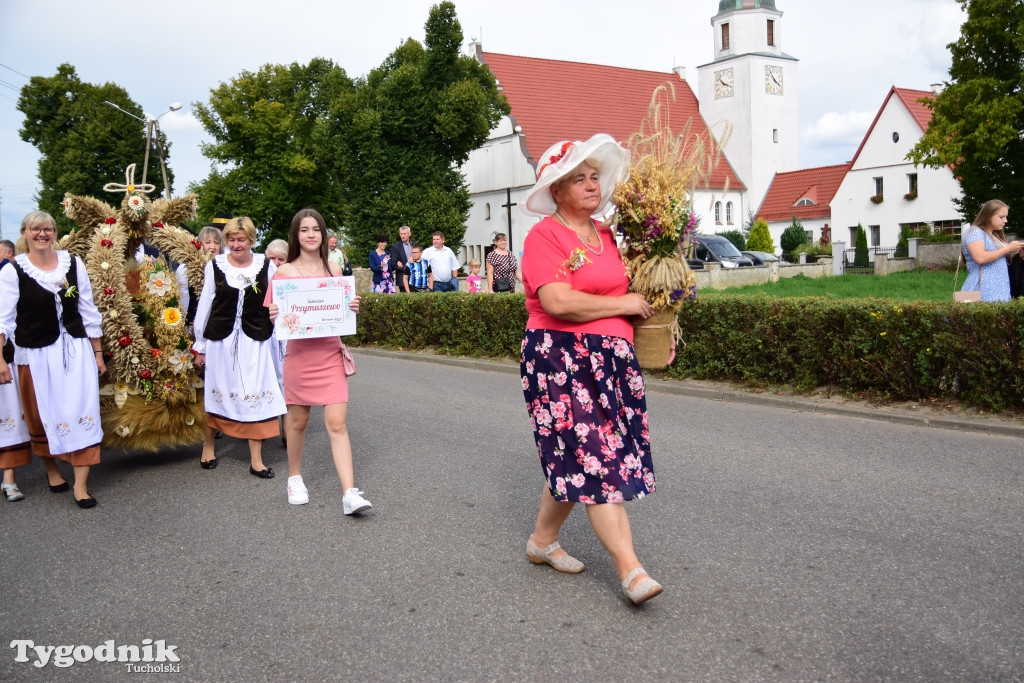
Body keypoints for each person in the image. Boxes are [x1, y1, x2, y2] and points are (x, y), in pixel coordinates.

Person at [518, 134, 663, 604]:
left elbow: (635, 294)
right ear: (556, 192)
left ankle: (542, 542)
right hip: (559, 360)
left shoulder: (606, 235)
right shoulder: (545, 236)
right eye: (577, 178)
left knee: (577, 458)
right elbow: (557, 301)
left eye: (594, 176)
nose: (589, 184)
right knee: (597, 460)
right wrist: (623, 304)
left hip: (609, 361)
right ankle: (632, 571)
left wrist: (659, 324)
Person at [266, 208, 372, 514]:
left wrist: (352, 306)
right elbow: (274, 317)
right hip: (299, 357)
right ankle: (295, 477)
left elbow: (341, 314)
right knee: (298, 422)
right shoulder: (283, 274)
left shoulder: (335, 271)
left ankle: (349, 493)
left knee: (337, 424)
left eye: (316, 229)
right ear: (295, 236)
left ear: (323, 234)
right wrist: (273, 314)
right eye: (304, 230)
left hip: (329, 354)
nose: (311, 235)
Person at [0, 211, 106, 508]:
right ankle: (51, 470)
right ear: (24, 233)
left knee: (81, 410)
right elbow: (3, 320)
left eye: (47, 229)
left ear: (55, 233)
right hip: (33, 354)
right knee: (40, 416)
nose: (42, 234)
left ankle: (81, 486)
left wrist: (97, 353)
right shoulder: (12, 271)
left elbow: (88, 309)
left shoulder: (74, 263)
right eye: (35, 229)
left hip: (75, 349)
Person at [193, 216, 286, 477]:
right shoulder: (214, 266)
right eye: (231, 240)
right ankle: (208, 445)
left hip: (256, 340)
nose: (236, 245)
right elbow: (205, 306)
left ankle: (256, 460)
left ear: (251, 240)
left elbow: (278, 298)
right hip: (221, 342)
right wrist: (199, 345)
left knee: (257, 391)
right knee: (220, 391)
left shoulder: (265, 265)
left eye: (241, 240)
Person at [0, 251, 29, 502]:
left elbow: (6, 319)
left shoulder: (6, 275)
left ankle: (9, 478)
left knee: (9, 413)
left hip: (7, 349)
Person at [960, 200, 1022, 302]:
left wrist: (1018, 252)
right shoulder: (975, 232)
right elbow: (980, 258)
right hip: (982, 289)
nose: (1005, 220)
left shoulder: (996, 235)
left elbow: (1001, 258)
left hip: (1000, 291)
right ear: (988, 216)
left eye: (1006, 217)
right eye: (1001, 217)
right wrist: (1008, 248)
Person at [176, 225, 225, 328]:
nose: (213, 246)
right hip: (192, 326)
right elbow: (182, 300)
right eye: (208, 242)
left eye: (217, 243)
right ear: (199, 244)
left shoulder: (226, 269)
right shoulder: (185, 268)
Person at [389, 225, 414, 291]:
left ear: (409, 234)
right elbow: (393, 263)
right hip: (402, 278)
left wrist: (414, 258)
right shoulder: (396, 247)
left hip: (415, 278)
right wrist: (400, 265)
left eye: (404, 234)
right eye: (401, 234)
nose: (402, 236)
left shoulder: (415, 245)